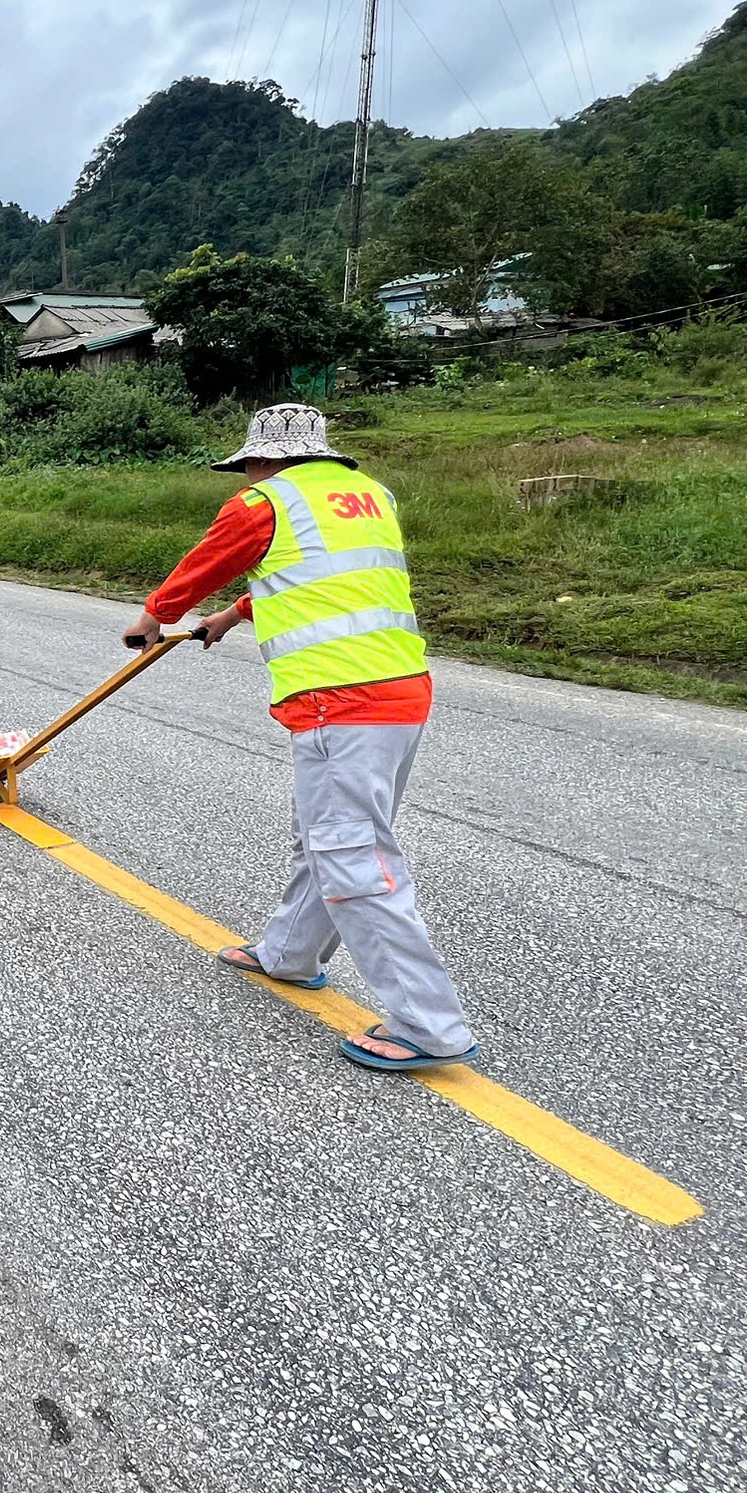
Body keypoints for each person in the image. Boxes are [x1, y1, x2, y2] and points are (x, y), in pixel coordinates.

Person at [121, 402, 476, 1073]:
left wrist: (151, 619)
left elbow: (203, 564)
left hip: (339, 698)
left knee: (348, 851)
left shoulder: (262, 502)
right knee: (331, 835)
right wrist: (230, 616)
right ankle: (289, 954)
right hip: (401, 691)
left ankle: (430, 1025)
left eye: (249, 464)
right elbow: (319, 581)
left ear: (264, 458)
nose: (248, 473)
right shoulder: (369, 496)